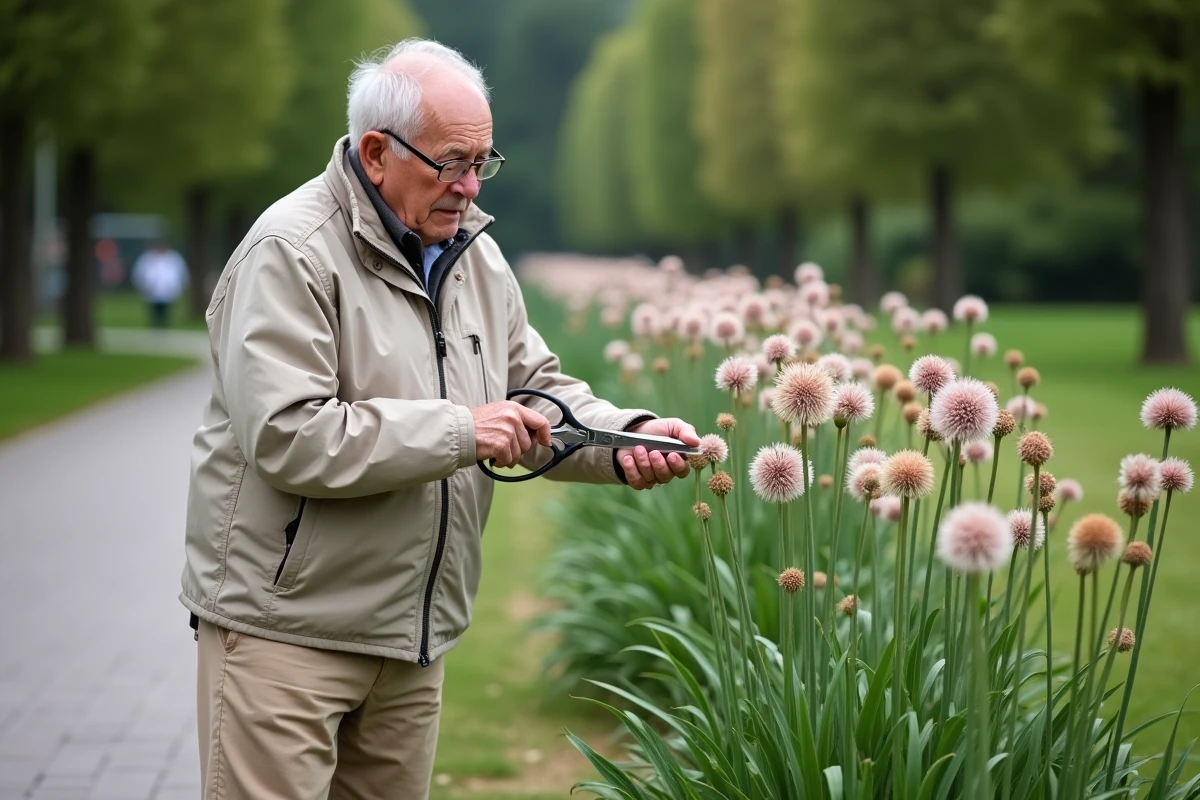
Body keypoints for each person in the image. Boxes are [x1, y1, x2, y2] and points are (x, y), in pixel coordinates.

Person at [179, 39, 700, 799]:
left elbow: (536, 391)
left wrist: (625, 438)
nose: (468, 187)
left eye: (483, 162)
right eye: (452, 161)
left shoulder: (473, 254)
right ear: (376, 152)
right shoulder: (288, 252)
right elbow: (289, 438)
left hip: (413, 641)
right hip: (284, 635)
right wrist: (463, 430)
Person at [130, 239, 188, 328]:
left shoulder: (174, 258)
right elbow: (140, 272)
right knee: (154, 308)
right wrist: (143, 285)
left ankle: (164, 324)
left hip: (168, 289)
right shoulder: (148, 258)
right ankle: (155, 324)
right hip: (152, 289)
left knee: (166, 308)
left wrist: (178, 285)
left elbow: (181, 272)